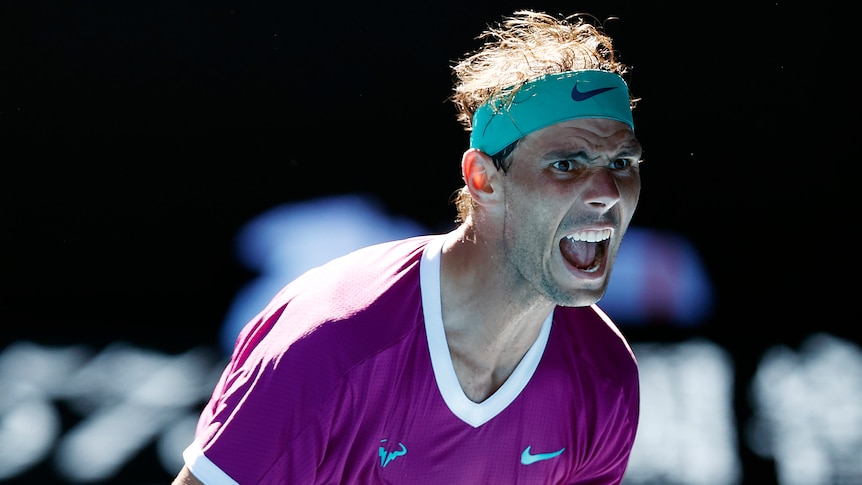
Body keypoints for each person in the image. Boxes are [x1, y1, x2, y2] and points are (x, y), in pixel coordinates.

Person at [173, 9, 643, 484]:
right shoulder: (326, 343)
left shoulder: (607, 380)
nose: (607, 190)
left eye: (623, 162)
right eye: (566, 165)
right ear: (483, 179)